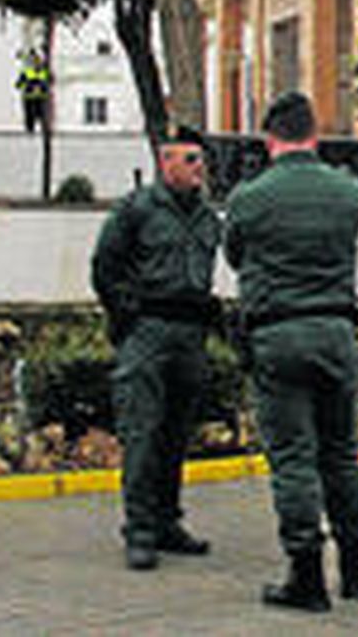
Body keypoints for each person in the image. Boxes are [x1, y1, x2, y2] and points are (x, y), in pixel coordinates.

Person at [225, 90, 358, 612]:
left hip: (278, 336)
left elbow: (235, 255)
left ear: (271, 139)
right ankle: (355, 569)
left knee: (294, 460)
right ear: (315, 133)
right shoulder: (348, 192)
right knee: (342, 454)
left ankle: (306, 577)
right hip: (336, 331)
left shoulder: (250, 196)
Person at [90, 123, 221, 571]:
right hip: (147, 333)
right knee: (142, 433)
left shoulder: (207, 215)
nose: (199, 166)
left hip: (190, 336)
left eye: (201, 159)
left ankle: (167, 522)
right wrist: (125, 317)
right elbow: (105, 267)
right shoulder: (136, 210)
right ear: (165, 163)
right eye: (190, 159)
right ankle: (140, 530)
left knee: (176, 434)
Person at [16, 48, 51, 134]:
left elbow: (51, 81)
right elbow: (19, 84)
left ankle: (42, 128)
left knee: (41, 114)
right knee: (31, 115)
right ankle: (30, 128)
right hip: (30, 98)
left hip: (40, 98)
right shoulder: (28, 72)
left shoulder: (44, 72)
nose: (37, 64)